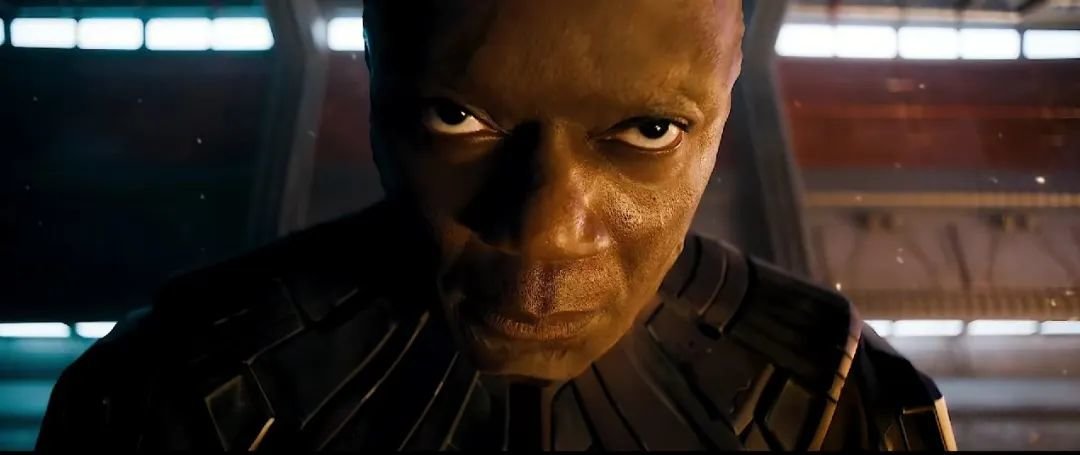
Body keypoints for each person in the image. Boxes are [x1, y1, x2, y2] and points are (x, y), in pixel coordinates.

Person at [36, 0, 956, 451]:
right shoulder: (169, 394)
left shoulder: (846, 400)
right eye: (456, 118)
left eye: (646, 131)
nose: (547, 231)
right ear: (376, 94)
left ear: (723, 116)